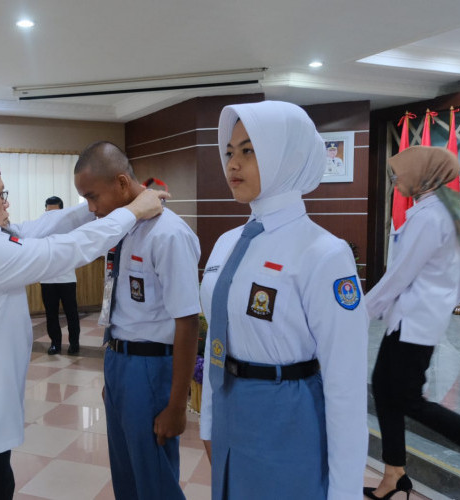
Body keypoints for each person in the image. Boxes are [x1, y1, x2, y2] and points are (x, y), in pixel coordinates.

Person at [0, 144, 166, 499]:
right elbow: (63, 251)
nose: (6, 202)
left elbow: (40, 228)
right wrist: (133, 211)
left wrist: (97, 205)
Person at [199, 101, 369, 499]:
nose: (232, 165)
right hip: (229, 412)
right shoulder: (227, 245)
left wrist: (345, 493)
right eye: (228, 152)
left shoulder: (324, 253)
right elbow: (215, 339)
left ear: (286, 155)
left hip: (287, 418)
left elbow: (345, 384)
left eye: (248, 150)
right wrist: (209, 422)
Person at [74, 141, 201, 500]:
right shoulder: (123, 227)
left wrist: (177, 406)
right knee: (127, 476)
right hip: (120, 363)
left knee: (154, 480)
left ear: (121, 182)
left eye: (93, 196)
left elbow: (187, 322)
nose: (92, 208)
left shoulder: (168, 233)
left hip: (150, 369)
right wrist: (112, 376)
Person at [364, 146, 460, 500]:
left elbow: (398, 275)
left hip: (412, 324)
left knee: (408, 399)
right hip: (417, 322)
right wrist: (441, 303)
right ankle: (394, 473)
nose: (396, 179)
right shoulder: (451, 210)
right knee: (385, 389)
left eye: (400, 172)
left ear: (423, 173)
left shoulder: (429, 216)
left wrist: (358, 313)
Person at [40, 196, 81, 355]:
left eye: (55, 213)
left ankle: (74, 343)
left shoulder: (70, 228)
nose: (51, 217)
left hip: (67, 278)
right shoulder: (40, 229)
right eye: (48, 212)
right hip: (47, 278)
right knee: (51, 314)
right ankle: (55, 344)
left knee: (71, 313)